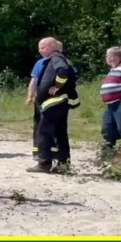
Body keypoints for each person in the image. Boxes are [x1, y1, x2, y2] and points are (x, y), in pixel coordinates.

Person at [28, 37, 77, 174]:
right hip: (60, 102)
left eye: (42, 47)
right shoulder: (57, 58)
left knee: (44, 132)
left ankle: (44, 163)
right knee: (60, 133)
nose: (40, 50)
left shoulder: (56, 58)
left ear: (50, 46)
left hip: (53, 102)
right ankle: (63, 163)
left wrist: (57, 85)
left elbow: (63, 70)